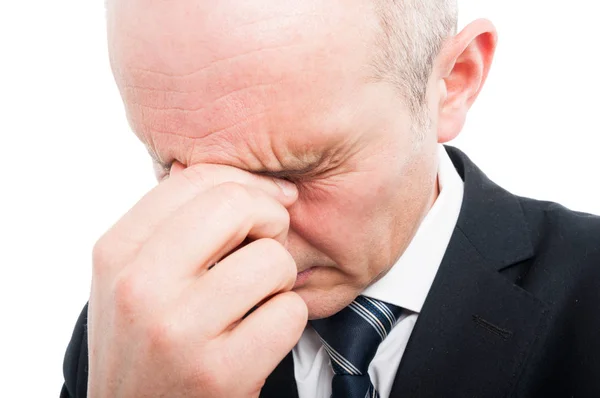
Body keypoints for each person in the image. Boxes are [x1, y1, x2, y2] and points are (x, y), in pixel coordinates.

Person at [61, 0, 600, 397]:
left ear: (453, 82)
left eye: (295, 170)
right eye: (175, 168)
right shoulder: (135, 331)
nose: (243, 233)